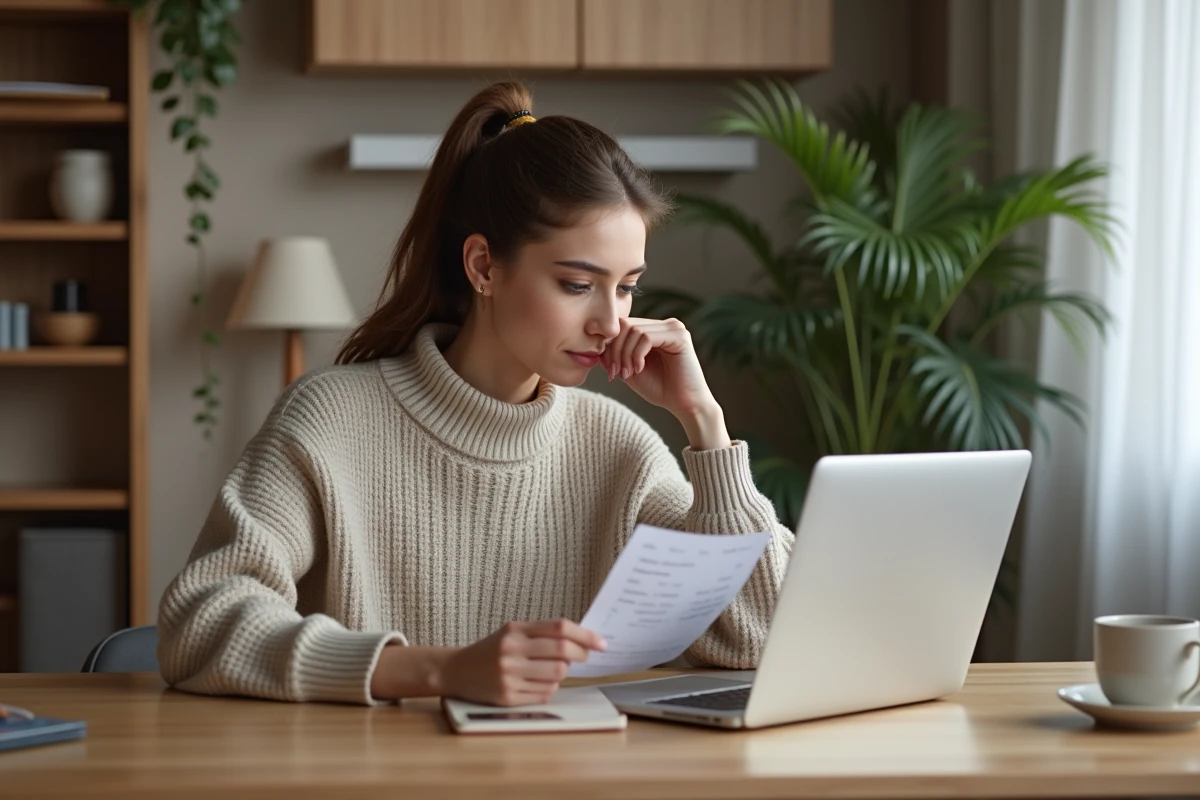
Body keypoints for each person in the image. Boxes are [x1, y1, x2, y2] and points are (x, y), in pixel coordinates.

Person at [157, 81, 795, 707]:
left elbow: (765, 635)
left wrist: (704, 423)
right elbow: (201, 623)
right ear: (484, 266)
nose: (611, 321)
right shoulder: (330, 420)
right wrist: (438, 671)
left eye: (627, 287)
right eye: (578, 284)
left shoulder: (617, 446)